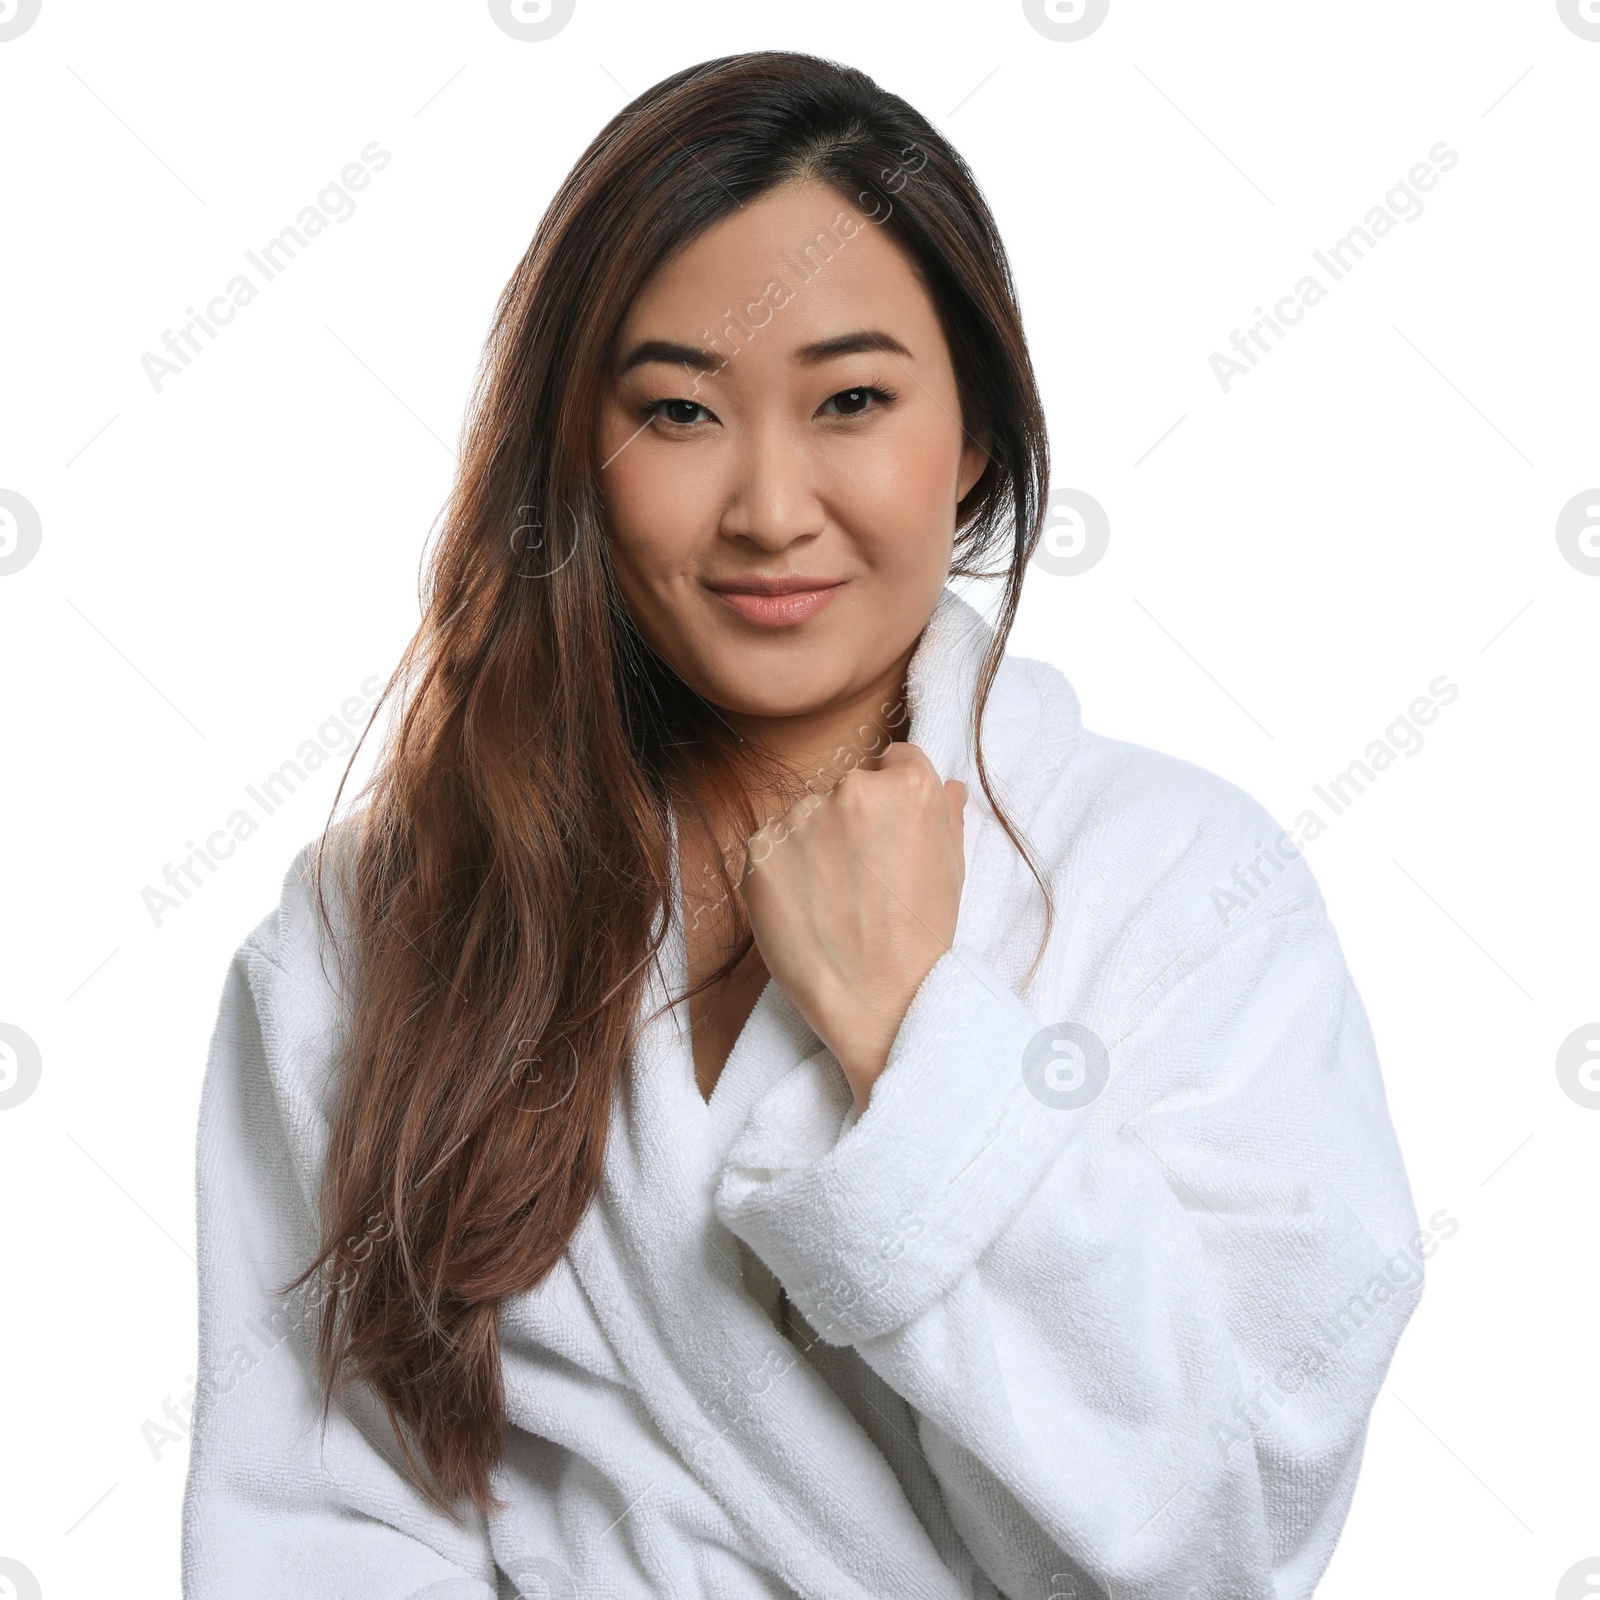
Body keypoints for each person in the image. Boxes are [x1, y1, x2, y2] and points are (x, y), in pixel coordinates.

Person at [181, 50, 1423, 1600]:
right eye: (682, 411)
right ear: (581, 447)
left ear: (973, 436)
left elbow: (1230, 1524)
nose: (770, 506)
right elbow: (305, 1518)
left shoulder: (1183, 889)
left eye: (851, 400)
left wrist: (916, 1033)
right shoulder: (378, 921)